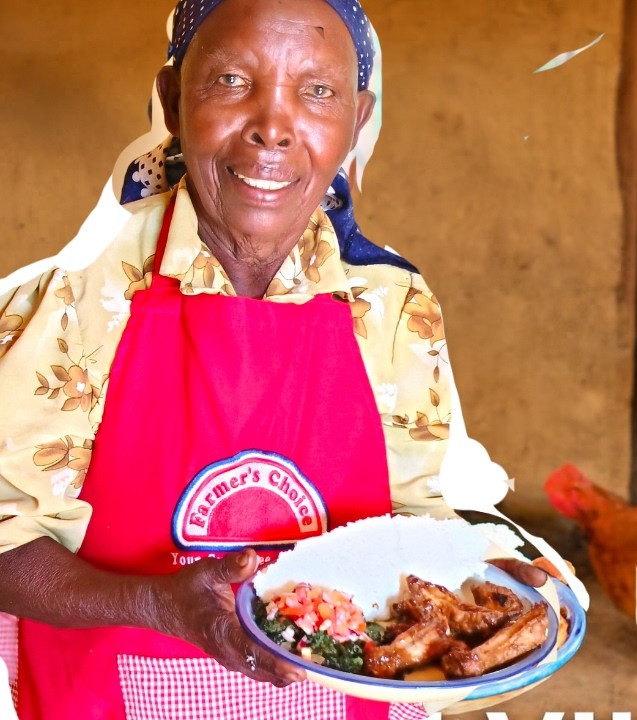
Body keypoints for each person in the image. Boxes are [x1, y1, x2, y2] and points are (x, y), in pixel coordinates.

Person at [0, 0, 526, 717]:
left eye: (317, 91)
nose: (273, 125)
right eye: (230, 80)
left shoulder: (390, 304)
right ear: (174, 101)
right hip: (112, 695)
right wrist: (159, 605)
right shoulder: (77, 299)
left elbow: (415, 519)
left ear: (356, 119)